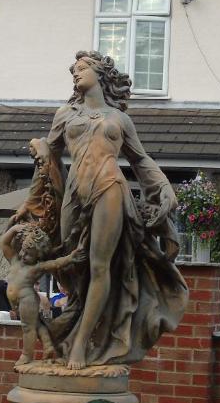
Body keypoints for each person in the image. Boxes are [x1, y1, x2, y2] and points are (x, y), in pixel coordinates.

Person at [39, 51, 187, 370]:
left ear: (100, 74)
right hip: (75, 194)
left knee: (100, 266)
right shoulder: (64, 114)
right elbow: (49, 156)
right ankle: (78, 324)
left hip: (109, 187)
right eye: (73, 71)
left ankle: (80, 343)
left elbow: (140, 160)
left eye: (81, 69)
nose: (75, 74)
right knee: (70, 266)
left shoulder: (119, 119)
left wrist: (163, 187)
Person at [0, 222, 85, 365]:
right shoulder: (14, 260)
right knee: (38, 325)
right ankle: (49, 346)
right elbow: (3, 243)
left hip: (27, 299)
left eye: (29, 254)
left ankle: (27, 355)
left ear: (38, 256)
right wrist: (14, 229)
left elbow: (55, 263)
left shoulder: (35, 268)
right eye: (23, 250)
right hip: (18, 302)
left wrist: (71, 258)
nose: (23, 254)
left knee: (28, 328)